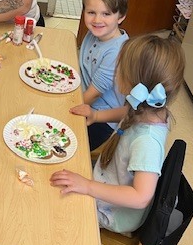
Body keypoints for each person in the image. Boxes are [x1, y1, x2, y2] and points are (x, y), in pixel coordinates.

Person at [50, 35, 185, 234]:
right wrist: (96, 115)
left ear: (131, 82)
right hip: (104, 181)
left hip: (111, 211)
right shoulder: (145, 107)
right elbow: (126, 112)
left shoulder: (147, 141)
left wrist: (87, 186)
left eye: (118, 68)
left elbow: (141, 197)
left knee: (49, 199)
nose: (115, 74)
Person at [69, 0, 129, 150]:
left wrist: (63, 108)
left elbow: (93, 94)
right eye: (91, 12)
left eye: (106, 14)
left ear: (121, 16)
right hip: (84, 99)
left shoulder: (117, 51)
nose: (97, 20)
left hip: (102, 119)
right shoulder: (93, 33)